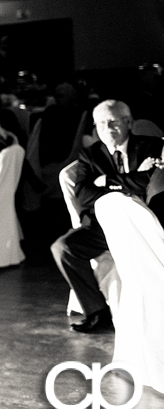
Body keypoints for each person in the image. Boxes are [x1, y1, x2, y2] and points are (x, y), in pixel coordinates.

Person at [50, 100, 162, 333]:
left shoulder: (151, 146)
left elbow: (148, 183)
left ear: (129, 122)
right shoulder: (90, 155)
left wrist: (107, 181)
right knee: (63, 248)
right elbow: (84, 194)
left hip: (145, 224)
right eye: (100, 123)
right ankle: (97, 312)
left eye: (113, 121)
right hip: (105, 227)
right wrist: (129, 181)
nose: (107, 127)